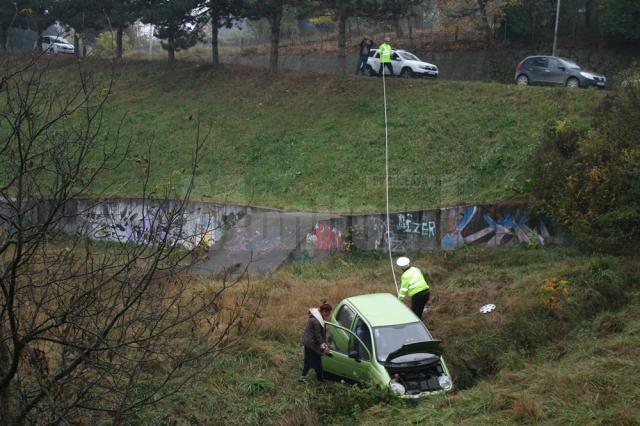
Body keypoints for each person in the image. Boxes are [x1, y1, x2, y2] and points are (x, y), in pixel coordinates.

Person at [300, 302, 333, 381]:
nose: (329, 314)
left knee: (309, 360)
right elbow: (318, 336)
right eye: (328, 312)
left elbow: (320, 335)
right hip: (311, 344)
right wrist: (325, 347)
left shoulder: (317, 318)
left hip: (309, 342)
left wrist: (325, 344)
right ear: (324, 311)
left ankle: (305, 376)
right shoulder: (316, 321)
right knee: (316, 362)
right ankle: (319, 379)